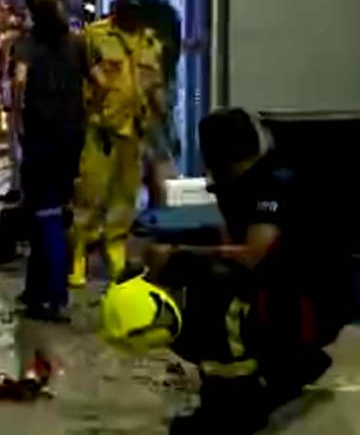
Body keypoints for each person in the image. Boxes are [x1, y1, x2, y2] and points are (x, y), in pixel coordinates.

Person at [118, 109, 352, 433]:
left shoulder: (273, 182)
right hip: (296, 294)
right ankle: (291, 364)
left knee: (215, 282)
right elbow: (229, 239)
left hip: (310, 306)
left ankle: (234, 404)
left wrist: (177, 255)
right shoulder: (240, 182)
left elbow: (252, 256)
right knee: (192, 269)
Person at [70, 0, 165, 287]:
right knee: (90, 194)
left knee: (125, 197)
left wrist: (164, 123)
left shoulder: (151, 43)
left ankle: (115, 248)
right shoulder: (95, 36)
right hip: (101, 131)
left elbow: (155, 88)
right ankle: (79, 253)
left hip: (134, 130)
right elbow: (80, 81)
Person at [16, 0, 85, 321]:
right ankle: (35, 290)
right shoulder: (76, 44)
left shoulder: (28, 46)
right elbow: (95, 83)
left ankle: (54, 297)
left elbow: (18, 86)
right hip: (71, 139)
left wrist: (17, 127)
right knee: (50, 213)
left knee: (45, 217)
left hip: (41, 140)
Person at [133, 0, 182, 206]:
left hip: (153, 90)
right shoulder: (165, 3)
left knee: (158, 157)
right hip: (157, 89)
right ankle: (158, 209)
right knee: (154, 156)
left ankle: (164, 212)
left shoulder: (153, 3)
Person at [0, 6, 28, 204]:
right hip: (15, 98)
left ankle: (20, 187)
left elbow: (15, 76)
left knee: (20, 147)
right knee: (15, 148)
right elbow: (3, 71)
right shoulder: (7, 42)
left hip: (24, 100)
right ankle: (17, 186)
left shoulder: (26, 45)